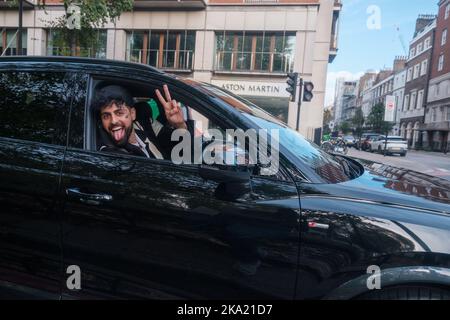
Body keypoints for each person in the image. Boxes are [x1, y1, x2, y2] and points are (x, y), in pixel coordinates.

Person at [92, 84, 189, 159]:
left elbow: (178, 149)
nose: (113, 121)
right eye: (106, 116)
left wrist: (180, 125)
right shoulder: (110, 154)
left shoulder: (144, 125)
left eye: (119, 113)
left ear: (133, 114)